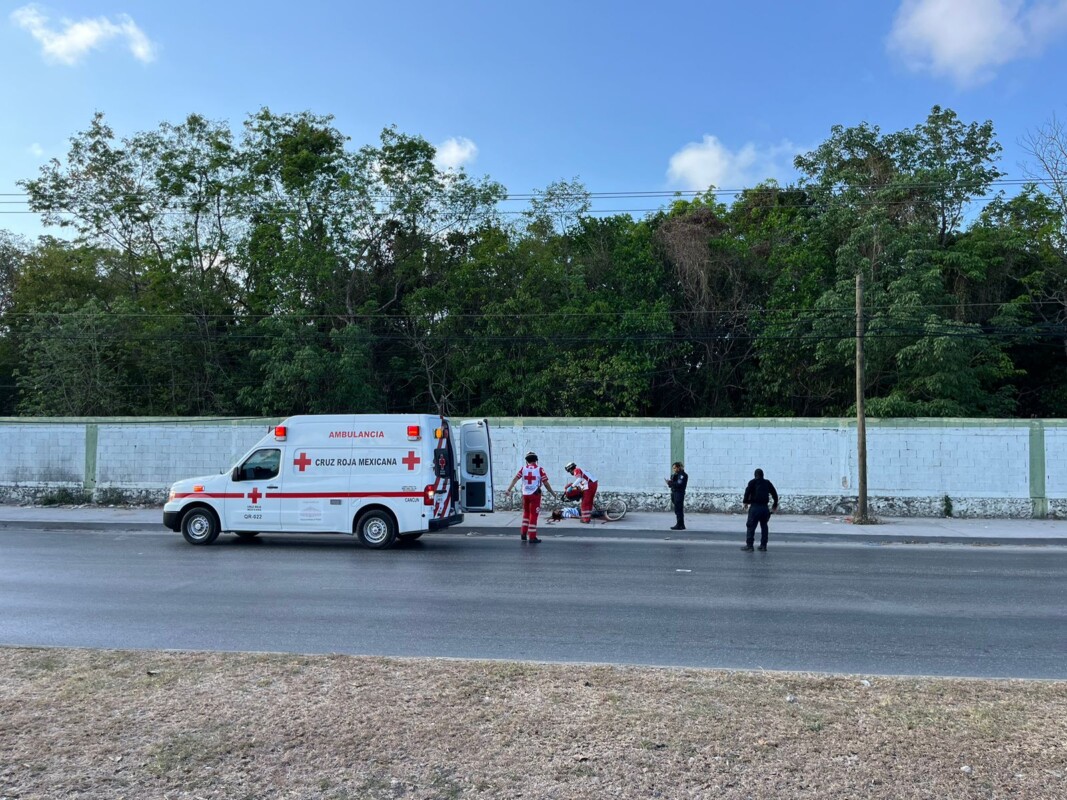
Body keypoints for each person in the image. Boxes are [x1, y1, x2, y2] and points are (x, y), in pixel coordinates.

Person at [504, 451, 557, 543]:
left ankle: (523, 534)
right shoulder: (540, 469)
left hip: (525, 495)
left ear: (527, 461)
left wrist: (508, 489)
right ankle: (532, 537)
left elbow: (515, 479)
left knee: (526, 514)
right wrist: (552, 493)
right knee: (533, 515)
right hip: (535, 495)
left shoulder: (523, 469)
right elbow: (546, 483)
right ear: (536, 460)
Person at [741, 468, 779, 551]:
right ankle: (763, 545)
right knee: (764, 526)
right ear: (763, 475)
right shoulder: (767, 483)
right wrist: (775, 504)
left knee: (751, 526)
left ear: (755, 475)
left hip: (755, 507)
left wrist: (745, 502)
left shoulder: (752, 482)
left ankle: (750, 546)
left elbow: (747, 492)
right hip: (765, 508)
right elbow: (774, 493)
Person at [665, 461, 688, 530]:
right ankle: (681, 524)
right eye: (673, 468)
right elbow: (673, 485)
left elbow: (679, 484)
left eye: (675, 468)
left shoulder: (682, 475)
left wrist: (671, 483)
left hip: (679, 493)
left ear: (679, 467)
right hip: (675, 493)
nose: (674, 469)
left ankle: (679, 524)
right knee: (677, 509)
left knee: (678, 509)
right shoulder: (676, 475)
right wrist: (669, 483)